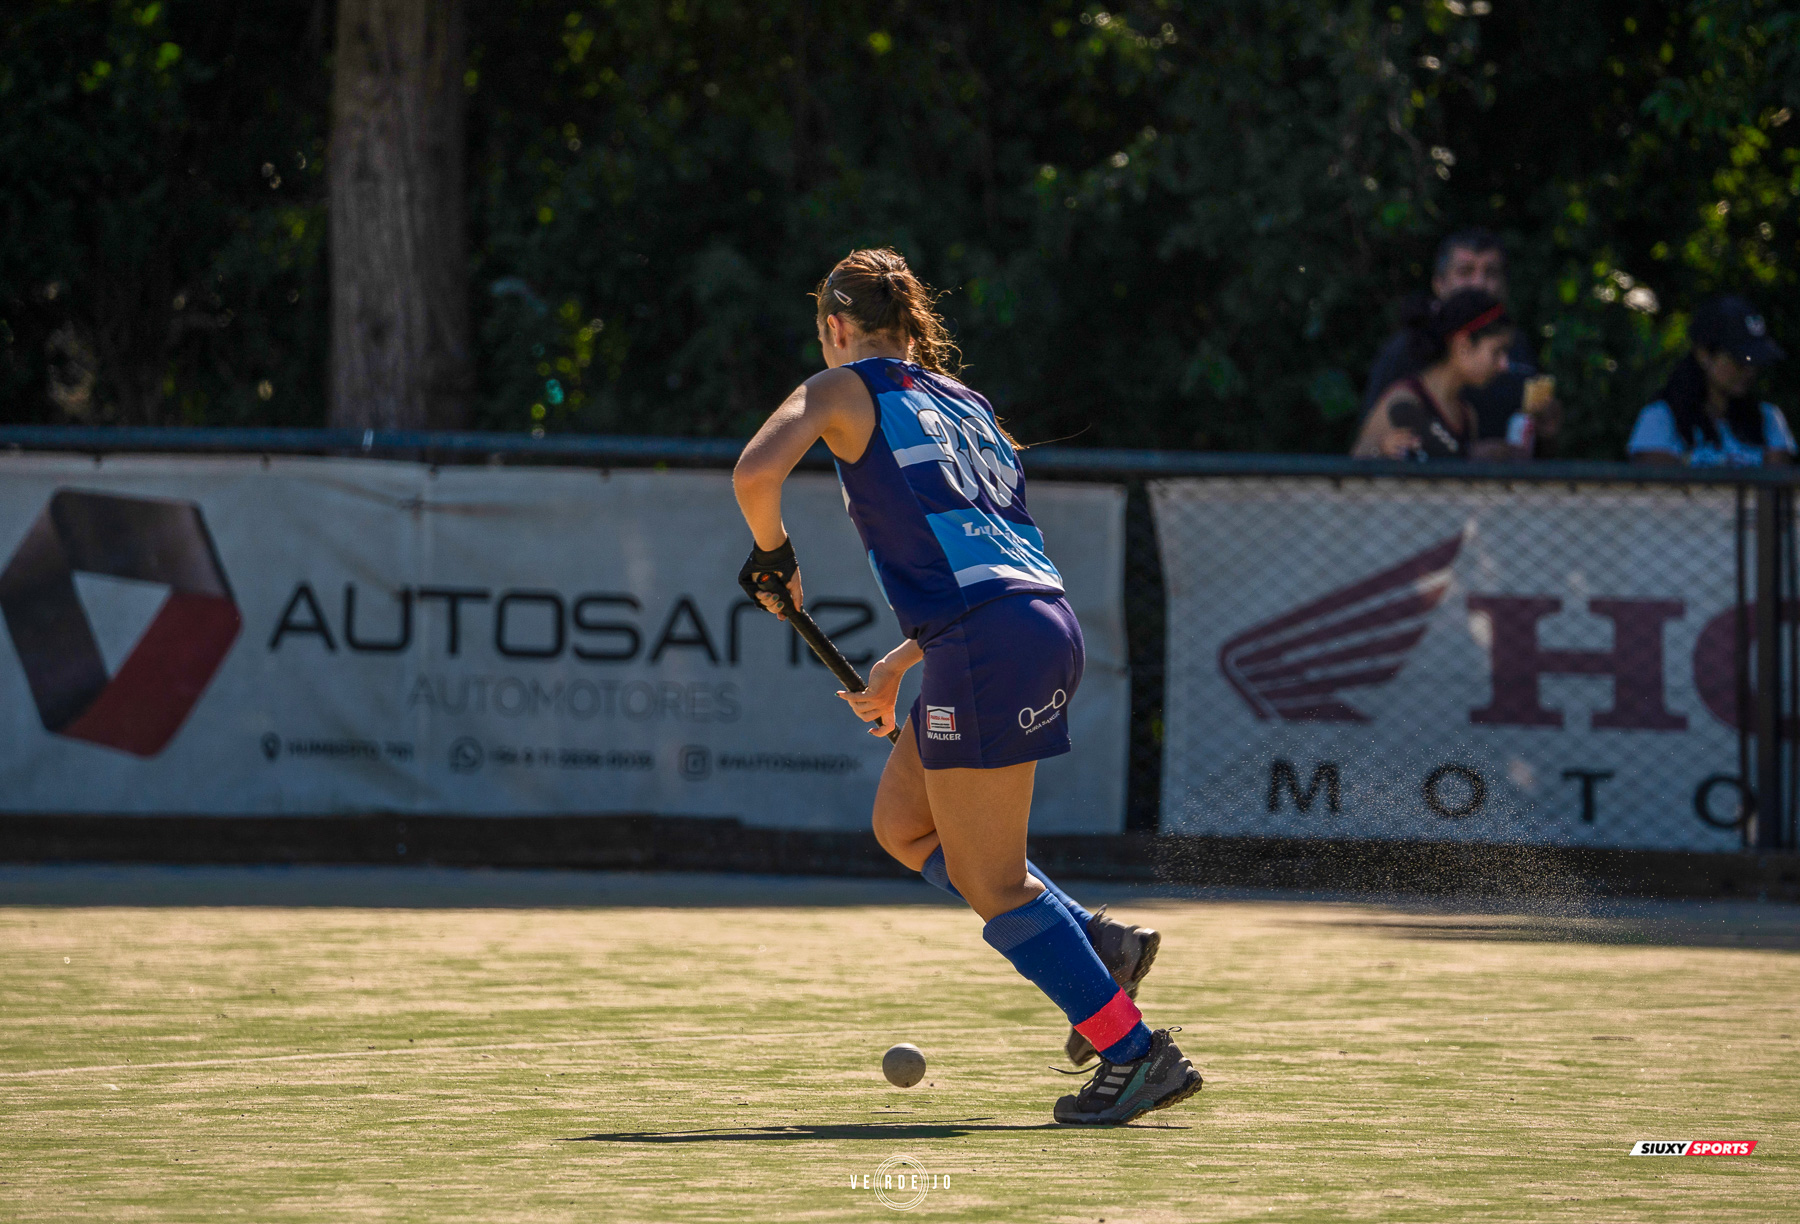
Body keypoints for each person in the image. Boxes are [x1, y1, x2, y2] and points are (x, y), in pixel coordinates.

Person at [731, 247, 1201, 1125]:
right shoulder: (967, 403)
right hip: (1030, 627)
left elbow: (756, 473)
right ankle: (1098, 943)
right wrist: (901, 664)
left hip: (988, 644)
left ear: (835, 327)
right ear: (909, 322)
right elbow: (986, 556)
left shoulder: (843, 387)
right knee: (904, 825)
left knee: (993, 881)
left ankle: (1135, 1054)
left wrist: (774, 556)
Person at [1360, 229, 1559, 458]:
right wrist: (1381, 450)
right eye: (1465, 272)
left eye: (1491, 272)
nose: (1479, 283)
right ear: (1439, 283)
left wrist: (1545, 431)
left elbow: (1536, 446)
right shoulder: (1403, 358)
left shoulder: (1518, 349)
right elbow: (1364, 454)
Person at [1627, 294, 1792, 466]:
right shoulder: (1661, 417)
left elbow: (1777, 487)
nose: (1749, 369)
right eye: (1739, 359)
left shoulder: (1768, 418)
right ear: (1703, 354)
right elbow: (1656, 486)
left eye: (1755, 360)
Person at [1351, 288, 1515, 460]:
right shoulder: (1402, 400)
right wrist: (1381, 448)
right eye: (1497, 352)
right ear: (1463, 346)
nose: (1504, 365)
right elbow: (1356, 462)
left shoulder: (1467, 415)